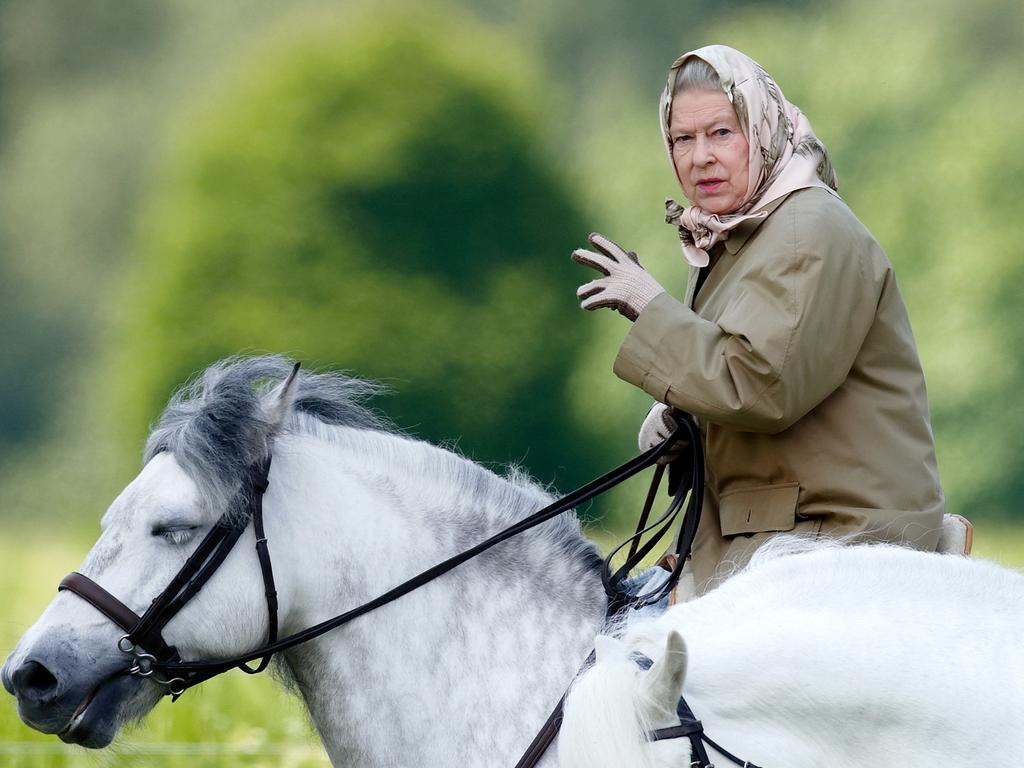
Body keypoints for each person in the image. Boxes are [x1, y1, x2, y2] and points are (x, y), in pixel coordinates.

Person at [572, 45, 944, 596]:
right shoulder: (742, 236)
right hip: (777, 538)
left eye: (721, 132)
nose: (700, 157)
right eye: (683, 139)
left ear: (762, 128)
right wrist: (685, 422)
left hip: (841, 545)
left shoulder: (806, 229)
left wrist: (651, 308)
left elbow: (761, 386)